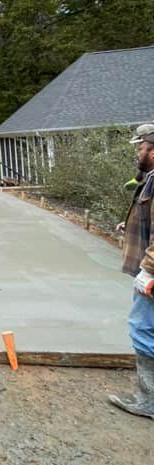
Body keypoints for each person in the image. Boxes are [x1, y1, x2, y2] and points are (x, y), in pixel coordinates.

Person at [108, 124, 154, 419]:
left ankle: (148, 400)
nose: (138, 153)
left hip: (153, 272)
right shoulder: (149, 179)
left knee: (142, 329)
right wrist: (131, 226)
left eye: (141, 148)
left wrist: (149, 270)